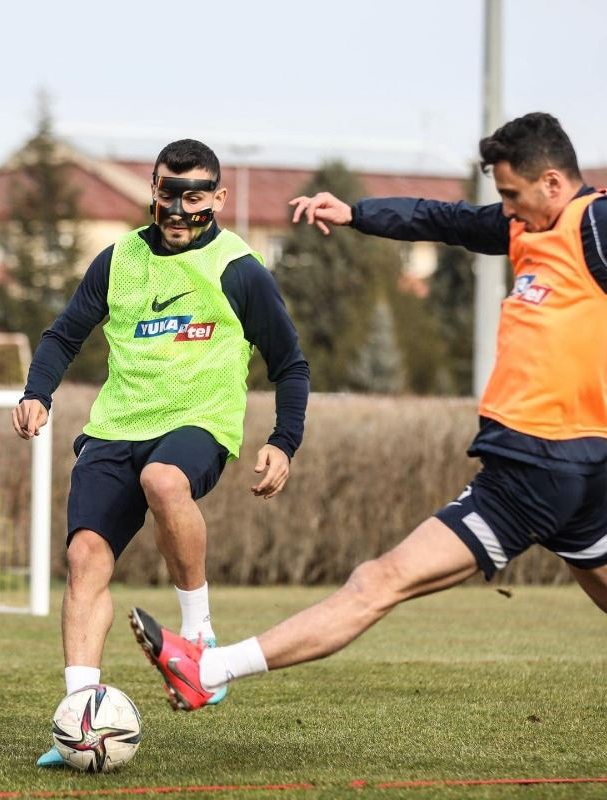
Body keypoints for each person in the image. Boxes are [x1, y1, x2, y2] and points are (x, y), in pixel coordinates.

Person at [128, 112, 607, 711]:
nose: (506, 209)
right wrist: (355, 213)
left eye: (512, 195)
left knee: (377, 582)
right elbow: (442, 219)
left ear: (554, 184)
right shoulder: (530, 228)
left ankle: (209, 669)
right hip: (580, 468)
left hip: (536, 469)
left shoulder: (594, 225)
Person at [12, 139, 310, 762]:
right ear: (153, 190)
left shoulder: (239, 268)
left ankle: (199, 640)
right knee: (85, 557)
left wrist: (284, 441)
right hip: (116, 426)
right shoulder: (119, 259)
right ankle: (80, 720)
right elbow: (64, 335)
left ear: (217, 198)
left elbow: (290, 363)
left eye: (193, 197)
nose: (178, 210)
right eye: (168, 195)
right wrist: (37, 392)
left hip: (198, 421)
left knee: (164, 480)